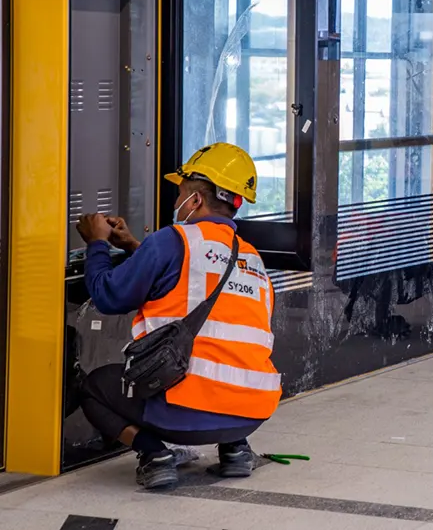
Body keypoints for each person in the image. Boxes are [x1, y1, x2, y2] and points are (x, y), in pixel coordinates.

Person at [75, 143, 280, 490]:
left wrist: (96, 243)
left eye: (180, 193)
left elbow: (109, 295)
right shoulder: (253, 259)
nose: (176, 203)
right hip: (253, 411)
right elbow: (193, 287)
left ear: (196, 200)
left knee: (94, 387)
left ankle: (154, 455)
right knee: (223, 360)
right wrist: (135, 249)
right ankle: (235, 451)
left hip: (182, 412)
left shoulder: (173, 239)